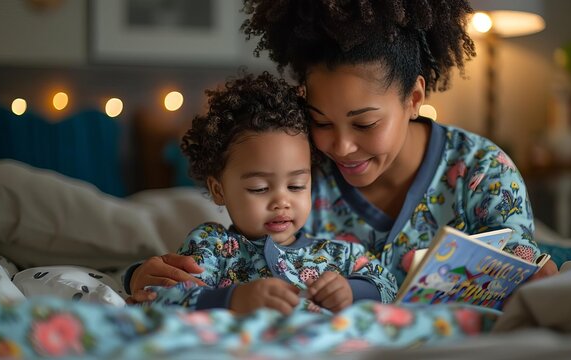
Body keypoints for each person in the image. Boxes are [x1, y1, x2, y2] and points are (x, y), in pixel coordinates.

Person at [126, 0, 557, 301]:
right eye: (320, 121)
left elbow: (519, 258)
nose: (340, 146)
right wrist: (138, 277)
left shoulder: (482, 171)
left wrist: (536, 273)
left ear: (413, 98)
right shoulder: (297, 172)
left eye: (365, 123)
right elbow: (231, 260)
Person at [140, 72, 397, 315]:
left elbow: (387, 284)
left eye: (296, 186)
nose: (281, 202)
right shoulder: (213, 247)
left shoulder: (338, 254)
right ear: (219, 190)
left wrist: (351, 290)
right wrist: (232, 300)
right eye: (259, 189)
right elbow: (158, 300)